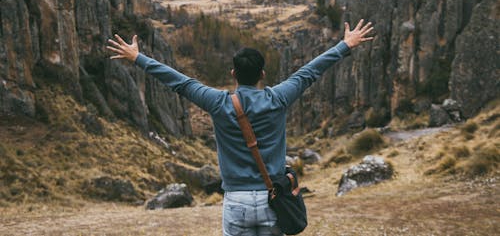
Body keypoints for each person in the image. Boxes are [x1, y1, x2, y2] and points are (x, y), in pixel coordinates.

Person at [107, 19, 373, 236]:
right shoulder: (278, 98)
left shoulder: (218, 102)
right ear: (263, 75)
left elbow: (180, 83)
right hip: (273, 198)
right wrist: (346, 44)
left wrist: (137, 57)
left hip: (236, 201)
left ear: (233, 74)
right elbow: (309, 72)